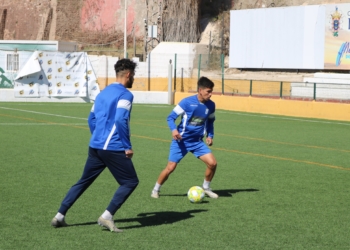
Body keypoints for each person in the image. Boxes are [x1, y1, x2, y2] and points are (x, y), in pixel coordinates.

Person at [51, 58, 139, 233]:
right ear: (128, 74)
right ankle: (106, 216)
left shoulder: (102, 93)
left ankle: (59, 215)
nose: (134, 78)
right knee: (130, 181)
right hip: (113, 147)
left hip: (96, 146)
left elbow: (91, 119)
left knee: (84, 181)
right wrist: (126, 146)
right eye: (133, 75)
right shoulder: (125, 95)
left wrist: (98, 137)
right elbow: (121, 119)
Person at [151, 76, 218, 199]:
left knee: (213, 163)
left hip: (197, 142)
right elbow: (170, 117)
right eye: (208, 91)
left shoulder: (211, 105)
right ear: (200, 90)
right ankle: (156, 189)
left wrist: (210, 135)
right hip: (181, 141)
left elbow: (211, 122)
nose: (210, 94)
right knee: (171, 167)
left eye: (211, 91)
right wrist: (174, 130)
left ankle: (206, 188)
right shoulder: (186, 102)